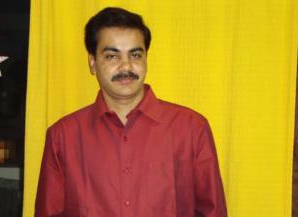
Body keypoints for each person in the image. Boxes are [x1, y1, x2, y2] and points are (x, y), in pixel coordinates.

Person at [35, 7, 227, 217]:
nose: (126, 66)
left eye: (135, 54)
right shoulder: (63, 137)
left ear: (146, 58)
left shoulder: (191, 128)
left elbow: (213, 211)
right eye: (112, 56)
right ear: (92, 63)